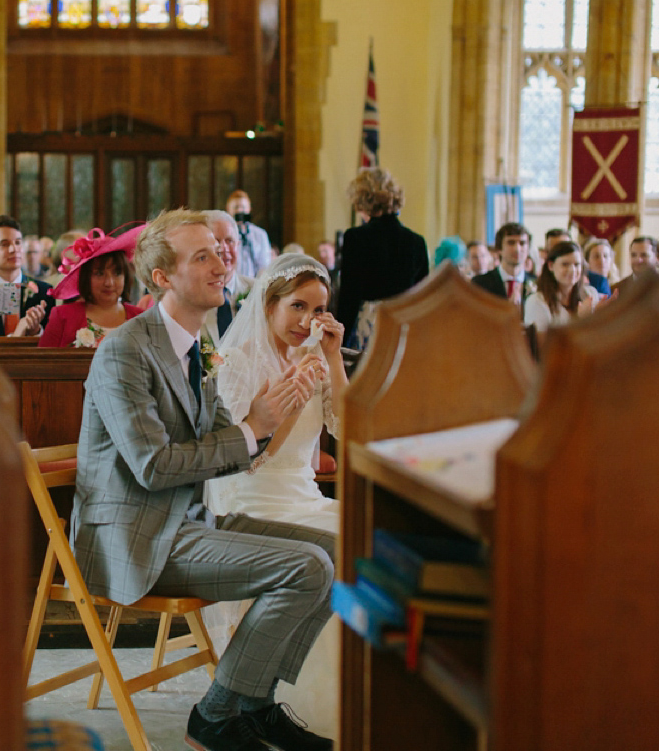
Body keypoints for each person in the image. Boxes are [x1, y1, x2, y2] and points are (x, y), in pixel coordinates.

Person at [73, 208, 336, 751]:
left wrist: (272, 420)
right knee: (307, 566)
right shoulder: (126, 349)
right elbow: (154, 466)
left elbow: (234, 453)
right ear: (163, 278)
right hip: (135, 535)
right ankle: (218, 714)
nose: (221, 264)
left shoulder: (196, 349)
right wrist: (252, 428)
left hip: (188, 521)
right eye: (202, 256)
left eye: (218, 252)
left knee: (343, 551)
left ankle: (253, 705)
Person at [203, 253, 349, 740]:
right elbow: (247, 459)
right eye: (297, 307)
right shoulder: (239, 364)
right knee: (338, 548)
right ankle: (270, 699)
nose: (307, 320)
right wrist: (290, 398)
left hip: (301, 496)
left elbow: (349, 428)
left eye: (318, 309)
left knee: (369, 535)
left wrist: (330, 358)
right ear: (269, 305)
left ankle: (331, 700)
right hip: (249, 501)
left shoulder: (314, 358)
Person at [334, 168, 428, 349]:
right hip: (404, 325)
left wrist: (339, 340)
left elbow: (350, 293)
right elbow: (421, 295)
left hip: (369, 324)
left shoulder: (356, 237)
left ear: (362, 200)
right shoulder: (416, 241)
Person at [39, 226, 146, 347]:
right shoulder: (62, 316)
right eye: (99, 274)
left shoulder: (141, 318)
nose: (109, 283)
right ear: (86, 278)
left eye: (117, 273)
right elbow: (43, 362)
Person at [0, 215, 56, 336]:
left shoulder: (44, 292)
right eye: (4, 244)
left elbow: (53, 343)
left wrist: (36, 331)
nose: (13, 249)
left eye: (18, 242)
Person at [524, 240, 601, 334]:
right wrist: (580, 320)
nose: (572, 270)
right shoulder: (536, 301)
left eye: (577, 265)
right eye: (565, 264)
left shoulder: (590, 294)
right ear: (551, 266)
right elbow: (542, 346)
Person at [203, 211, 255, 346]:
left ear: (238, 245)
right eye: (216, 241)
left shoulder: (257, 291)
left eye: (229, 241)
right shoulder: (191, 294)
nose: (223, 248)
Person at [472, 222, 536, 313]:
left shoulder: (537, 283)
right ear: (499, 249)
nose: (517, 249)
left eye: (522, 243)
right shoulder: (480, 283)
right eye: (511, 243)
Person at [545, 227, 611, 296]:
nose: (561, 254)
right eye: (554, 249)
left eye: (566, 248)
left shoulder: (596, 282)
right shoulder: (539, 284)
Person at [227, 189, 273, 278]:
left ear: (249, 209)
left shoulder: (260, 234)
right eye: (236, 207)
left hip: (255, 283)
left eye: (243, 207)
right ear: (229, 209)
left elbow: (265, 264)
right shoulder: (225, 233)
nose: (240, 210)